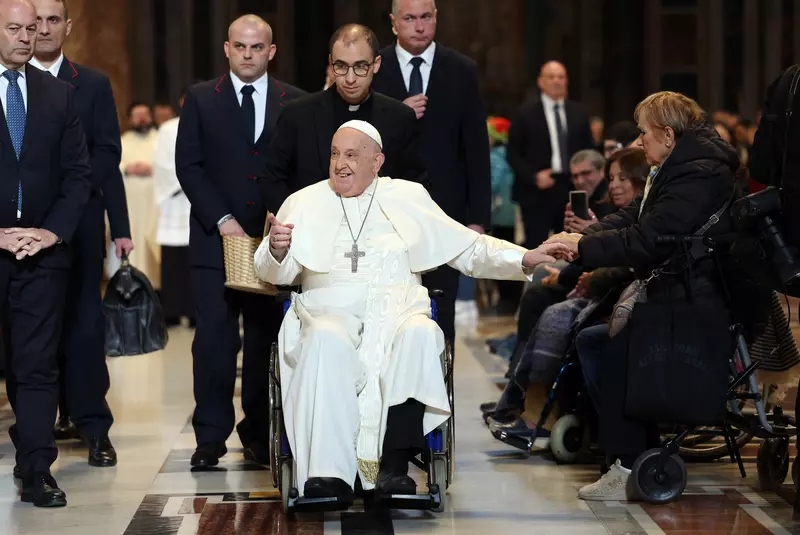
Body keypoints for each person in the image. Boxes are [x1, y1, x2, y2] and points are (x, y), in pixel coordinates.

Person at [253, 120, 572, 502]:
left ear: (378, 161)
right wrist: (276, 250)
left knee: (421, 333)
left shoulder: (408, 196)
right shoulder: (302, 202)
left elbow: (467, 248)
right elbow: (275, 272)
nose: (340, 164)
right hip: (326, 313)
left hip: (397, 312)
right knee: (325, 339)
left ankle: (395, 467)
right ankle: (327, 475)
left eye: (352, 155)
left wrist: (524, 257)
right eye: (335, 154)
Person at [547, 91, 738, 501]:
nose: (638, 142)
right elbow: (633, 218)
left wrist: (582, 249)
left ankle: (628, 463)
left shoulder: (699, 172)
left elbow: (649, 239)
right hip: (675, 289)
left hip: (696, 297)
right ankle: (637, 450)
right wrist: (581, 236)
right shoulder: (676, 166)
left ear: (668, 134)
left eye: (643, 133)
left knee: (614, 349)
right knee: (594, 341)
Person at [175, 14, 305, 469]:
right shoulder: (199, 99)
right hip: (216, 241)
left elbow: (300, 170)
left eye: (257, 47)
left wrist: (283, 214)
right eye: (240, 46)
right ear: (227, 49)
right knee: (213, 339)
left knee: (265, 340)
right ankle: (210, 436)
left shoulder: (296, 101)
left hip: (274, 242)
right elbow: (188, 166)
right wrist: (223, 219)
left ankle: (258, 432)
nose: (248, 54)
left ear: (271, 51)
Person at [29, 0, 133, 466]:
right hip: (22, 229)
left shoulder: (90, 84)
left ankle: (94, 426)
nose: (46, 29)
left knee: (85, 327)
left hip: (81, 224)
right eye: (38, 21)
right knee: (31, 331)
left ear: (68, 27)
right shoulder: (10, 83)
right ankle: (34, 433)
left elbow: (107, 154)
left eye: (54, 20)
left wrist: (110, 221)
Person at [0, 0, 91, 506]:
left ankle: (37, 468)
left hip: (42, 255)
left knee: (36, 366)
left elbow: (79, 175)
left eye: (30, 29)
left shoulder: (59, 95)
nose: (24, 37)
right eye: (13, 28)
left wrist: (51, 233)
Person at [372, 0, 491, 346]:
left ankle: (441, 396)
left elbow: (476, 149)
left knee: (442, 311)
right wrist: (396, 114)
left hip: (446, 213)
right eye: (409, 18)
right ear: (394, 23)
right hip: (385, 210)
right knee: (389, 308)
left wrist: (477, 219)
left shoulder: (461, 69)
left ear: (436, 19)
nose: (419, 26)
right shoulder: (375, 66)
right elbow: (357, 137)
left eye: (426, 17)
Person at [261, 24, 425, 200]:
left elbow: (413, 184)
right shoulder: (297, 115)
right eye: (341, 66)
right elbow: (271, 178)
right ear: (331, 63)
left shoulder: (399, 117)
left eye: (360, 66)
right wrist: (294, 219)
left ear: (376, 64)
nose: (350, 78)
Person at [507, 61, 595, 250]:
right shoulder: (525, 113)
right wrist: (533, 176)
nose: (557, 81)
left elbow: (589, 150)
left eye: (561, 77)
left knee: (573, 246)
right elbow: (513, 153)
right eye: (551, 77)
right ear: (540, 81)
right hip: (536, 191)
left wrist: (586, 178)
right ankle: (535, 280)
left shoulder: (579, 113)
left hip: (571, 188)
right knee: (536, 246)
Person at [154, 89, 193, 327]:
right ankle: (172, 311)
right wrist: (189, 180)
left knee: (197, 260)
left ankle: (196, 312)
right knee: (174, 261)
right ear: (181, 101)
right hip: (176, 200)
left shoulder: (210, 123)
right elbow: (162, 163)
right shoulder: (168, 128)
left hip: (199, 202)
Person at [116, 101, 159, 287]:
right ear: (130, 119)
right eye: (137, 115)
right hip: (131, 208)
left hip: (155, 208)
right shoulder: (122, 141)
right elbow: (112, 167)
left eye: (145, 114)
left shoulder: (160, 139)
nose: (142, 119)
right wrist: (127, 168)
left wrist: (153, 168)